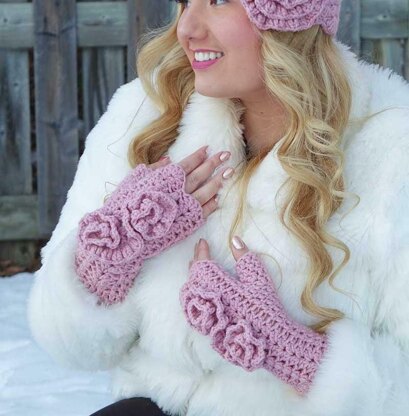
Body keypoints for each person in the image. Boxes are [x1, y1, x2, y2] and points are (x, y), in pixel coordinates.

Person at [27, 0, 409, 415]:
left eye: (218, 1)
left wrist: (295, 355)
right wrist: (111, 251)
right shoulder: (144, 114)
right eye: (184, 3)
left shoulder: (390, 148)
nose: (186, 28)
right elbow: (70, 344)